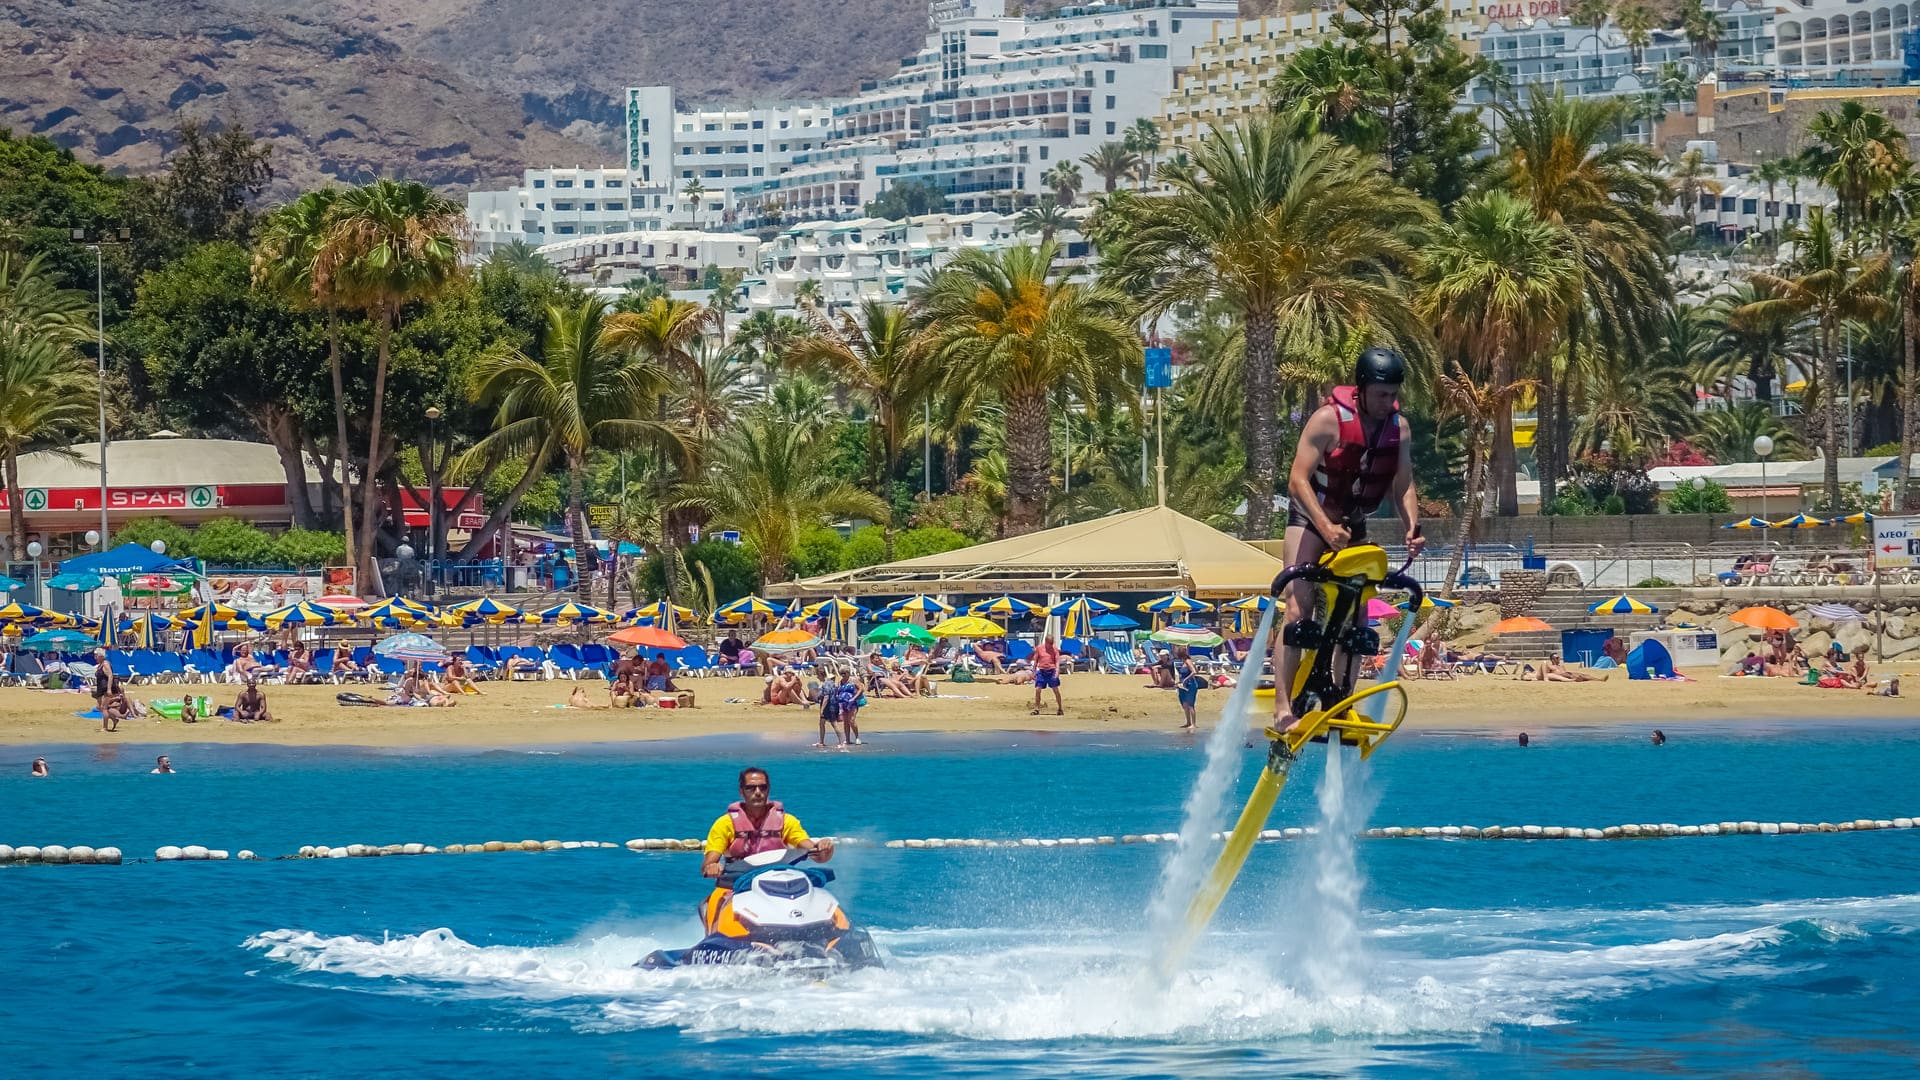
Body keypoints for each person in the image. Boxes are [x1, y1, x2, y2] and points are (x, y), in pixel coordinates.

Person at [1273, 347, 1424, 736]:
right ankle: (1283, 710)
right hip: (1311, 519)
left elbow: (1403, 483)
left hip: (1352, 524)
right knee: (1298, 609)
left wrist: (1412, 526)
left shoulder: (1399, 428)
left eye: (1393, 395)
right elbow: (1297, 481)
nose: (1387, 402)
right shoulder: (1327, 420)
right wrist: (1325, 528)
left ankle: (1340, 702)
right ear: (1361, 388)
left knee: (1358, 618)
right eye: (1380, 394)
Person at [697, 767, 833, 926]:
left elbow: (814, 853)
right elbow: (708, 864)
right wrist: (712, 867)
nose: (757, 792)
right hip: (737, 884)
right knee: (717, 899)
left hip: (779, 885)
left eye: (762, 787)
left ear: (768, 789)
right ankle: (720, 933)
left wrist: (824, 850)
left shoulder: (786, 821)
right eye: (750, 788)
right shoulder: (725, 824)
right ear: (741, 791)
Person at [1031, 634, 1063, 716]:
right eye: (1050, 643)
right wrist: (1033, 672)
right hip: (1041, 671)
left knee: (1055, 690)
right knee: (1038, 689)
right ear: (1046, 642)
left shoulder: (1055, 649)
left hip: (1052, 671)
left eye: (1052, 643)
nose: (1051, 644)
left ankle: (1060, 708)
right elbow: (1035, 660)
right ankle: (1036, 709)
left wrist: (1057, 672)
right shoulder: (1039, 648)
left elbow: (1057, 661)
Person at [1174, 645, 1204, 731]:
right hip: (1183, 686)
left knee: (1190, 705)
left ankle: (1193, 724)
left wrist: (1186, 680)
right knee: (1184, 704)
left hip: (1190, 685)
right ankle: (1188, 722)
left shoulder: (1188, 661)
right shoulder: (1183, 662)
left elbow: (1194, 672)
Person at [835, 670, 864, 747]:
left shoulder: (853, 680)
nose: (843, 675)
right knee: (845, 722)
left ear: (848, 673)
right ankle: (847, 739)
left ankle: (857, 737)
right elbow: (838, 690)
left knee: (851, 720)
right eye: (841, 673)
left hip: (852, 703)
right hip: (843, 703)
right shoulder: (840, 681)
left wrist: (854, 698)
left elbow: (861, 689)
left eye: (844, 673)